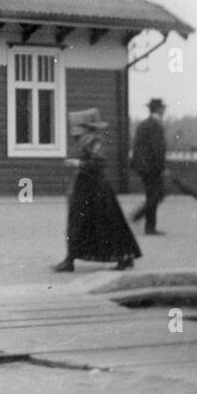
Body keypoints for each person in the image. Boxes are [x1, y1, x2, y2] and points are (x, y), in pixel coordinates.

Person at [52, 109, 141, 272]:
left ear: (85, 128)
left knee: (101, 223)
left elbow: (99, 163)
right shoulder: (87, 141)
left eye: (77, 128)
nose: (74, 133)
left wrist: (77, 164)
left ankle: (123, 257)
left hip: (95, 189)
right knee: (87, 223)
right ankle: (71, 258)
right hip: (89, 187)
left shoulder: (93, 142)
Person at [130, 97, 167, 236]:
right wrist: (162, 168)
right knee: (158, 194)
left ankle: (149, 226)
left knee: (153, 194)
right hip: (152, 167)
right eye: (163, 108)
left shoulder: (143, 124)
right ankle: (141, 219)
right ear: (159, 109)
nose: (164, 110)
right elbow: (157, 149)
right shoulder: (156, 125)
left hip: (143, 167)